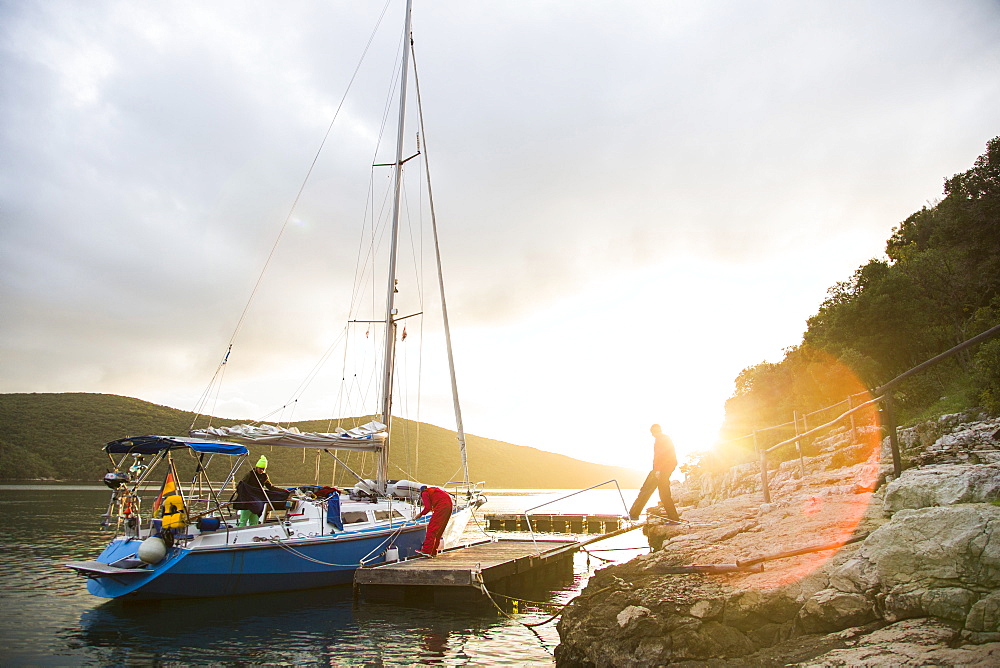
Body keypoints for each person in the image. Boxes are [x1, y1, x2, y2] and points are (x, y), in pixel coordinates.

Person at [234, 455, 289, 526]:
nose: (262, 470)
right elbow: (241, 486)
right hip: (247, 500)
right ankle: (240, 533)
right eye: (260, 468)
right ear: (257, 467)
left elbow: (271, 487)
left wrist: (283, 491)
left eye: (263, 469)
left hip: (257, 500)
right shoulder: (250, 474)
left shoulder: (264, 476)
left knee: (254, 520)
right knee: (243, 520)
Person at [650, 424, 681, 521]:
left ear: (654, 432)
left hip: (664, 469)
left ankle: (674, 519)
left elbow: (659, 456)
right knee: (664, 494)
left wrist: (658, 470)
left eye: (652, 433)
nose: (652, 435)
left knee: (664, 494)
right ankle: (673, 517)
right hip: (668, 467)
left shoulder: (660, 440)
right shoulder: (665, 439)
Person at [414, 485, 453, 557]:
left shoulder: (424, 493)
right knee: (439, 530)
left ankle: (427, 551)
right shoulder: (433, 491)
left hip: (442, 506)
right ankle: (433, 551)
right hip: (449, 505)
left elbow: (427, 507)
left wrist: (420, 514)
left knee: (432, 529)